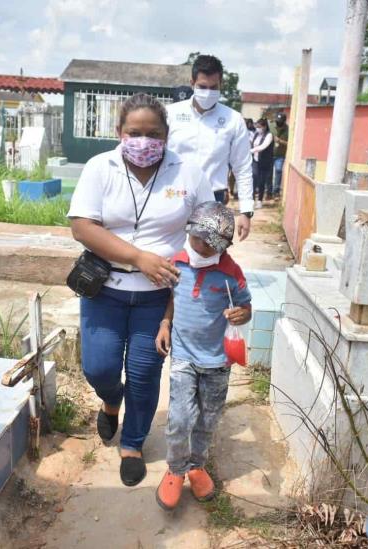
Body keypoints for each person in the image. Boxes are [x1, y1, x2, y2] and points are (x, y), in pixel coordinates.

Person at [68, 93, 214, 487]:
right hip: (105, 288)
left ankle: (132, 443)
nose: (144, 141)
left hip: (158, 296)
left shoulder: (188, 173)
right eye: (135, 132)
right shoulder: (101, 167)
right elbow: (82, 226)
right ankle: (110, 399)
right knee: (98, 367)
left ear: (166, 135)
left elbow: (208, 228)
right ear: (120, 133)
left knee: (145, 373)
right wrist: (138, 258)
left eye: (153, 134)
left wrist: (208, 251)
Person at [153, 201, 252, 510]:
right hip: (183, 355)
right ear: (190, 233)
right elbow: (172, 298)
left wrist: (241, 314)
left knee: (208, 420)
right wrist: (165, 323)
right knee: (180, 418)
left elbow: (246, 307)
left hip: (218, 361)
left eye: (211, 246)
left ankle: (196, 465)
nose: (202, 249)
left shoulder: (231, 273)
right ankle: (175, 468)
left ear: (222, 246)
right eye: (198, 241)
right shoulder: (178, 263)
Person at [167, 54, 254, 241]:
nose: (208, 92)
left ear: (221, 84)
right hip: (173, 195)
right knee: (170, 256)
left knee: (209, 259)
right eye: (202, 87)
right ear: (192, 83)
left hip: (213, 199)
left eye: (213, 87)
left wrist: (246, 211)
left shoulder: (233, 120)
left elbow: (242, 166)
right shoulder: (171, 114)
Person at [250, 118, 274, 208]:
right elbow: (251, 142)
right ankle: (251, 200)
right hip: (255, 161)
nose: (258, 128)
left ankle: (259, 200)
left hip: (265, 162)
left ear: (264, 126)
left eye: (259, 127)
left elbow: (263, 146)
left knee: (261, 181)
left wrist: (251, 150)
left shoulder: (269, 135)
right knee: (253, 179)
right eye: (257, 126)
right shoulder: (256, 134)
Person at [272, 112, 289, 197]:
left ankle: (276, 191)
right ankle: (268, 191)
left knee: (278, 171)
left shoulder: (288, 130)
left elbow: (290, 143)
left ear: (284, 121)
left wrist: (280, 141)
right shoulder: (272, 127)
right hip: (270, 154)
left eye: (280, 121)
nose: (278, 123)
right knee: (268, 173)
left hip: (280, 155)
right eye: (277, 121)